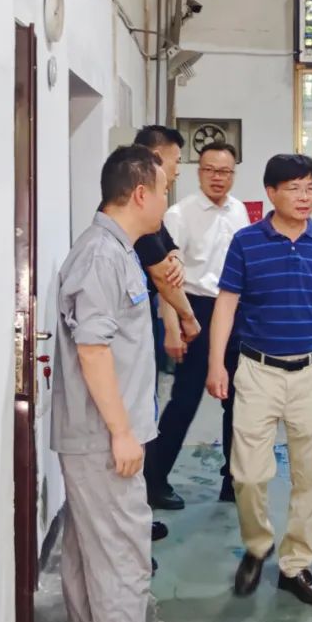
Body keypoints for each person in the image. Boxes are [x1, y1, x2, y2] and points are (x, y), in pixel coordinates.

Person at [206, 154, 312, 605]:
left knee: (310, 475)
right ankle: (258, 545)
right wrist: (217, 364)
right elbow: (226, 305)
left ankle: (295, 565)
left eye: (311, 187)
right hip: (257, 371)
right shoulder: (246, 242)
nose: (305, 197)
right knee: (247, 474)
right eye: (295, 188)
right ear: (271, 192)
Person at [50, 145, 167, 622]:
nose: (165, 201)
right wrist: (122, 433)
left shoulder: (116, 251)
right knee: (123, 555)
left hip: (99, 435)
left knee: (87, 554)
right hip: (103, 438)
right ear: (140, 193)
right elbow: (93, 350)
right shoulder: (102, 256)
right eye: (163, 190)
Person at [149, 142, 249, 507]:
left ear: (233, 174)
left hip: (235, 311)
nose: (217, 177)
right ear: (199, 172)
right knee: (185, 400)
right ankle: (154, 480)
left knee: (238, 401)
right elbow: (166, 277)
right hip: (195, 310)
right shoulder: (180, 214)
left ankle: (233, 479)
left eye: (225, 171)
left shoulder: (240, 211)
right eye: (210, 170)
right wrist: (172, 327)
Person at [129, 126, 200, 524]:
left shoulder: (153, 212)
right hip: (131, 332)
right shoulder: (135, 208)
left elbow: (169, 252)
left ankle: (141, 508)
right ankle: (136, 512)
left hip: (143, 326)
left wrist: (173, 259)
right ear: (154, 158)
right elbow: (161, 272)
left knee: (147, 410)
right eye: (174, 161)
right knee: (137, 419)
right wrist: (186, 318)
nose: (177, 170)